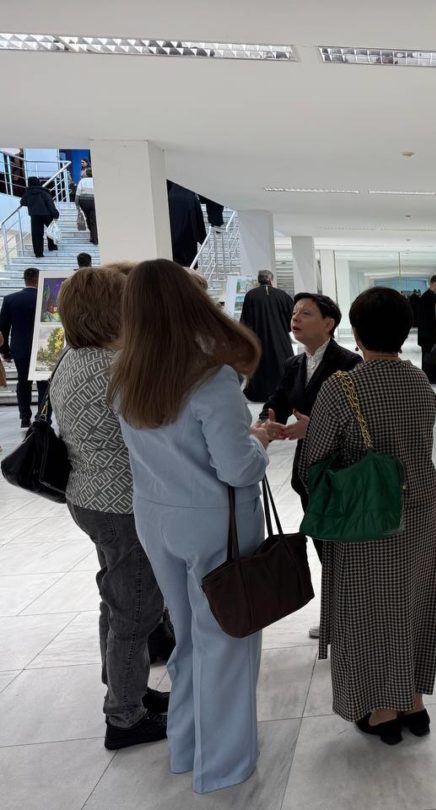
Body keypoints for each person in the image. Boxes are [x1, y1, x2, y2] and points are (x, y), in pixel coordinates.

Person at [110, 258, 270, 794]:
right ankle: (223, 765)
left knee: (187, 638)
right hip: (215, 524)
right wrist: (260, 442)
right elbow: (237, 468)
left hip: (156, 517)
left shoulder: (126, 374)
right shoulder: (209, 377)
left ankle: (187, 747)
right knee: (227, 639)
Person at [299, 286, 436, 744]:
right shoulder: (420, 383)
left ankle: (381, 711)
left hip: (366, 517)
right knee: (414, 603)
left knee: (368, 611)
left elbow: (313, 463)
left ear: (355, 334)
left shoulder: (343, 387)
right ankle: (413, 702)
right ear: (405, 332)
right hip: (420, 512)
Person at [49, 267, 170, 750]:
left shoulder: (71, 359)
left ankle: (127, 690)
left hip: (87, 497)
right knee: (136, 610)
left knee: (116, 598)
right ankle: (124, 716)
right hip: (122, 504)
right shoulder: (117, 367)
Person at [258, 292, 360, 639]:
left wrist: (312, 426)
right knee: (321, 545)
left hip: (341, 473)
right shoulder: (294, 364)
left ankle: (349, 617)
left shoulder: (349, 364)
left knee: (344, 549)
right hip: (308, 474)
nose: (295, 318)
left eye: (305, 313)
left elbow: (355, 421)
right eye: (294, 313)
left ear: (329, 324)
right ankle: (334, 616)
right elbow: (276, 400)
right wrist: (268, 420)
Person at [0, 268, 49, 427]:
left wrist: (5, 351)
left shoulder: (10, 299)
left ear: (25, 279)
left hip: (20, 348)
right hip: (43, 348)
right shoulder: (46, 299)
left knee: (23, 382)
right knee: (43, 384)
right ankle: (43, 417)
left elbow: (3, 328)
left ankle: (24, 417)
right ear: (38, 279)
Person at [239, 270, 294, 402]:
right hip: (280, 339)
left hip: (258, 339)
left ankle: (261, 393)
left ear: (259, 280)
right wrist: (284, 329)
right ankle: (283, 393)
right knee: (282, 363)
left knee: (260, 364)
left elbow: (245, 320)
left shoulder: (251, 295)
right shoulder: (282, 295)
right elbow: (292, 318)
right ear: (270, 279)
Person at [167, 181, 207, 268]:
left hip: (172, 236)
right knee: (189, 262)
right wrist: (203, 238)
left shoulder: (169, 197)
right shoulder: (190, 197)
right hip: (188, 234)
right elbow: (199, 218)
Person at [20, 176, 59, 258]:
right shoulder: (44, 191)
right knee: (51, 230)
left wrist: (31, 203)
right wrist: (55, 213)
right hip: (47, 214)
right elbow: (50, 203)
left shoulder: (27, 193)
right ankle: (52, 246)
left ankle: (38, 253)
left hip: (35, 215)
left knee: (36, 234)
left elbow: (22, 202)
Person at [416, 275, 436, 384]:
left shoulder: (435, 296)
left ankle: (434, 377)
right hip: (427, 334)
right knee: (428, 356)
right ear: (431, 284)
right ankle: (430, 378)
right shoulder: (426, 298)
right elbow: (425, 318)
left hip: (432, 332)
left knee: (433, 355)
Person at [76, 166, 98, 245]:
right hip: (94, 201)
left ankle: (93, 237)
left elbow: (77, 194)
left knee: (88, 218)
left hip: (84, 202)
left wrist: (77, 205)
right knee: (93, 220)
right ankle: (95, 239)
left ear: (87, 174)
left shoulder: (82, 181)